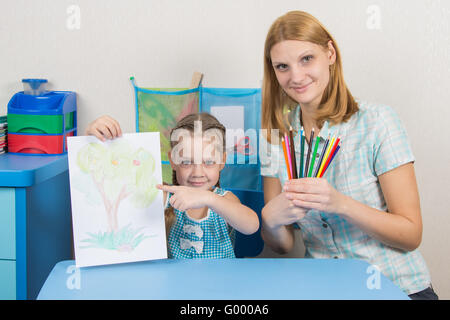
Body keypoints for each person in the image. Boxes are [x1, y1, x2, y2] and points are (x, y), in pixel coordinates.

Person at [259, 10, 437, 300]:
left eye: (307, 59)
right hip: (324, 291)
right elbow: (282, 245)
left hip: (397, 288)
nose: (296, 76)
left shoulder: (378, 122)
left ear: (329, 53)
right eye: (282, 66)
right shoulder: (274, 139)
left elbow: (411, 234)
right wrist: (270, 220)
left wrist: (340, 204)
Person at [86, 112, 259, 259]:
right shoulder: (163, 197)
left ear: (222, 161)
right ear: (173, 160)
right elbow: (113, 185)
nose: (198, 172)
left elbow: (251, 226)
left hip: (220, 288)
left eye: (208, 162)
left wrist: (208, 198)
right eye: (186, 162)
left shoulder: (223, 200)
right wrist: (93, 140)